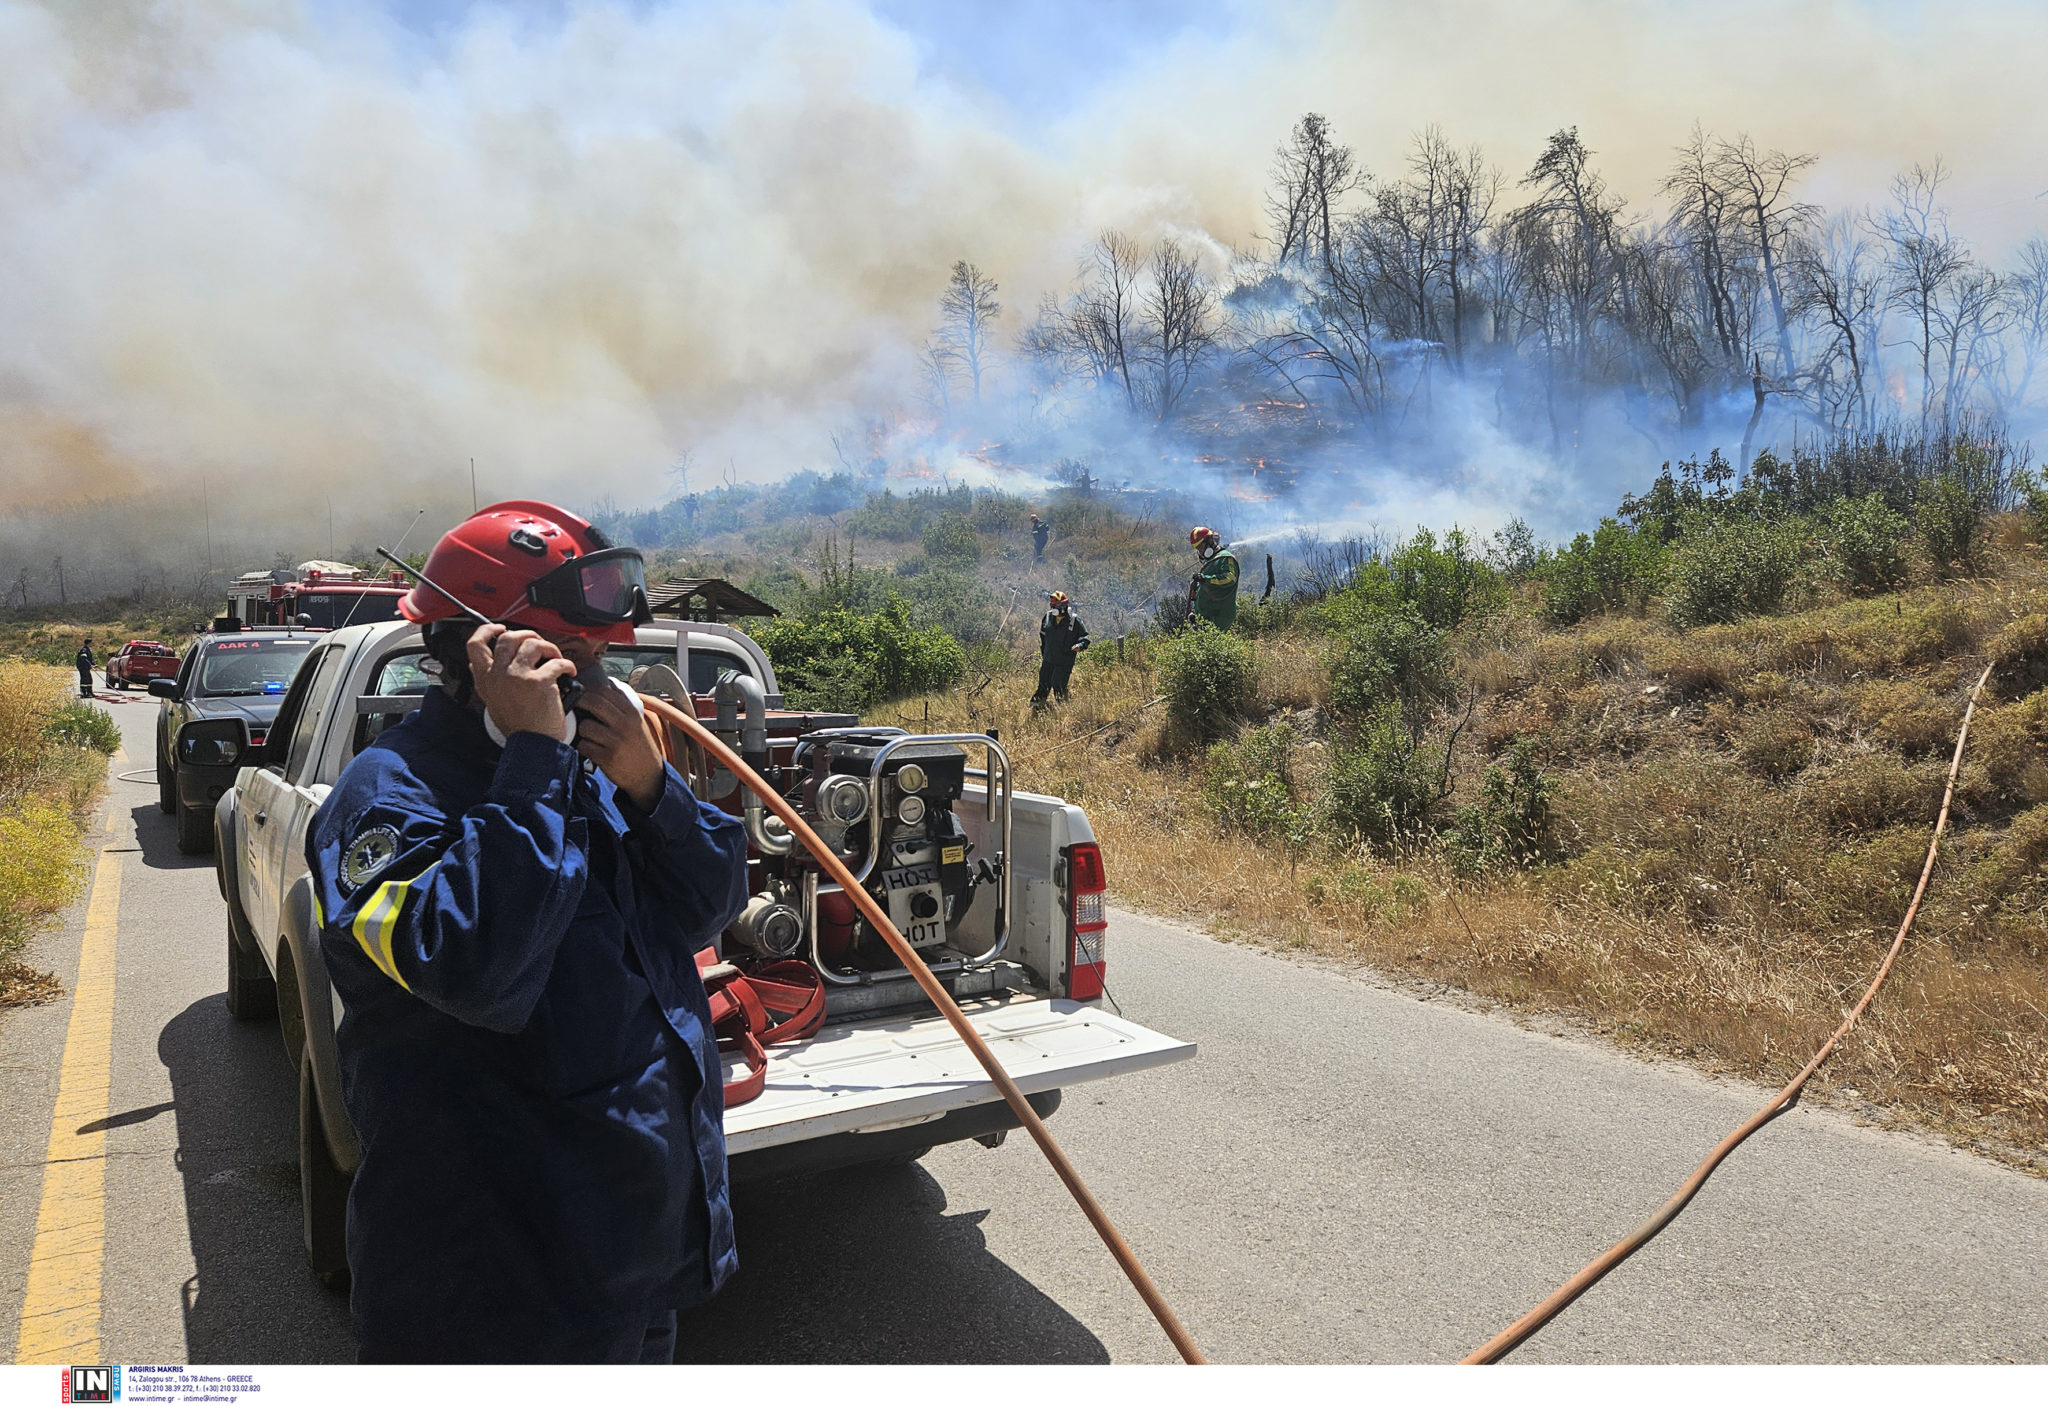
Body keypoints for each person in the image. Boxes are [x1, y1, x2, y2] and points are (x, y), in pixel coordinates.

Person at [306, 500, 750, 1364]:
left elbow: (706, 910)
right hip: (495, 1293)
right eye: (570, 658)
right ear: (487, 654)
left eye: (599, 657)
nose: (599, 680)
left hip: (631, 1262)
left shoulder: (590, 769)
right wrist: (535, 762)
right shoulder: (392, 794)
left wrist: (653, 790)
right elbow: (474, 969)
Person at [1031, 590, 1089, 706]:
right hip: (1048, 660)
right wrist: (1045, 654)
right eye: (1059, 606)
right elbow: (1043, 637)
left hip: (1064, 661)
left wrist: (1080, 645)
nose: (1062, 608)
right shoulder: (1047, 618)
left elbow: (1085, 638)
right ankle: (1037, 708)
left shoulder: (1074, 620)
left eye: (1064, 605)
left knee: (1058, 685)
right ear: (1053, 607)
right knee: (1043, 685)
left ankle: (1063, 710)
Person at [1187, 527, 1240, 631]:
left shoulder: (1225, 558)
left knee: (1211, 644)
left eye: (1200, 547)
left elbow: (1230, 578)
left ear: (1210, 541)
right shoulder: (1210, 560)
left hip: (1220, 615)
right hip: (1207, 614)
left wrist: (1206, 579)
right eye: (1197, 549)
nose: (1200, 551)